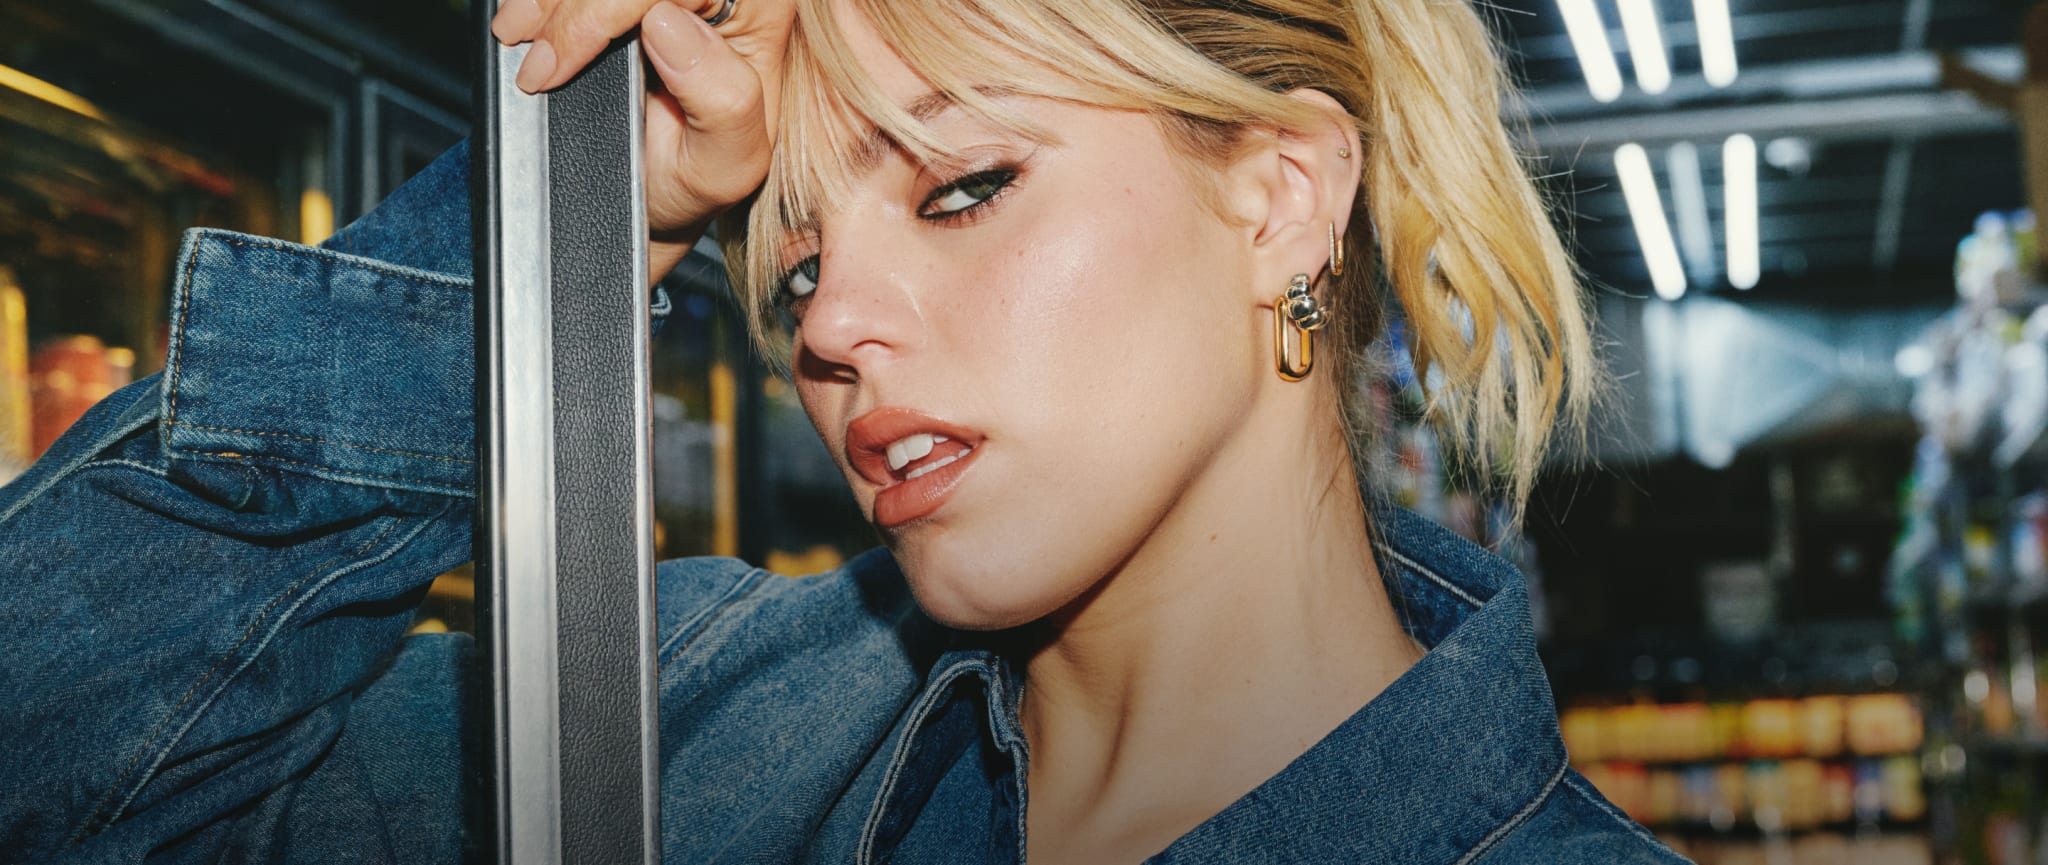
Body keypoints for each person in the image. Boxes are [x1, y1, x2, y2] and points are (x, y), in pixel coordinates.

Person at [0, 0, 1691, 862]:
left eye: (963, 188)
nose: (825, 328)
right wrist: (577, 217)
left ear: (1279, 198)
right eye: (796, 265)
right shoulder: (665, 714)